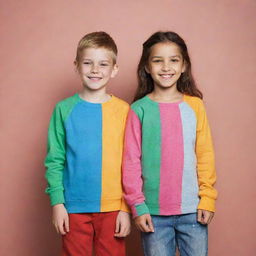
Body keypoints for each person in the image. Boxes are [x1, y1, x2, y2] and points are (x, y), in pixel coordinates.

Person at [122, 31, 217, 256]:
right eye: (158, 60)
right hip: (153, 214)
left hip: (193, 212)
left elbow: (205, 155)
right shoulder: (138, 110)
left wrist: (208, 199)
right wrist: (138, 206)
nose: (166, 67)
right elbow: (131, 162)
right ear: (146, 67)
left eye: (174, 60)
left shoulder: (195, 107)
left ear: (184, 65)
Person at [45, 31, 131, 256]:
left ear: (114, 69)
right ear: (76, 65)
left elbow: (131, 162)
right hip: (73, 207)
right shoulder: (63, 109)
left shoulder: (124, 111)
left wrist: (126, 208)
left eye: (103, 64)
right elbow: (55, 159)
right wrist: (57, 203)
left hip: (113, 206)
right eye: (87, 63)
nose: (95, 70)